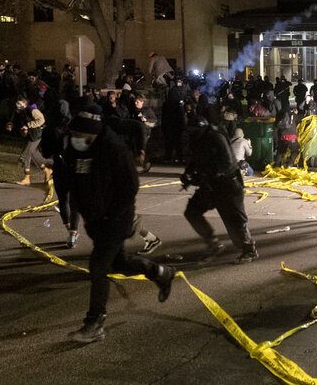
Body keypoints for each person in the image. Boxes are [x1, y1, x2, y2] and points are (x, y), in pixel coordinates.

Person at [65, 102, 176, 343]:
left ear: (94, 131)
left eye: (80, 134)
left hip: (116, 220)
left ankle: (95, 323)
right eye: (74, 133)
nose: (76, 138)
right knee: (120, 263)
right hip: (96, 221)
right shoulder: (79, 146)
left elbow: (130, 186)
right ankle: (161, 273)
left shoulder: (113, 149)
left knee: (98, 267)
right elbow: (74, 179)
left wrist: (112, 216)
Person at [181, 116, 258, 263]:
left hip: (228, 184)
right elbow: (195, 159)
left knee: (235, 220)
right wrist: (187, 174)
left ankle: (249, 250)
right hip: (211, 185)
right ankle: (213, 244)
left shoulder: (215, 137)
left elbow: (227, 164)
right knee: (192, 211)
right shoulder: (197, 139)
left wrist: (204, 175)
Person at [8, 97, 50, 186]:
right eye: (17, 103)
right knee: (34, 155)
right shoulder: (19, 111)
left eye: (19, 103)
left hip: (35, 135)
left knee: (25, 155)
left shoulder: (32, 110)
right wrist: (10, 125)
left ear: (25, 103)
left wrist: (28, 125)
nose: (17, 105)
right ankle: (47, 171)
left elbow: (41, 120)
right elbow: (14, 120)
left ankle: (27, 178)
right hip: (29, 135)